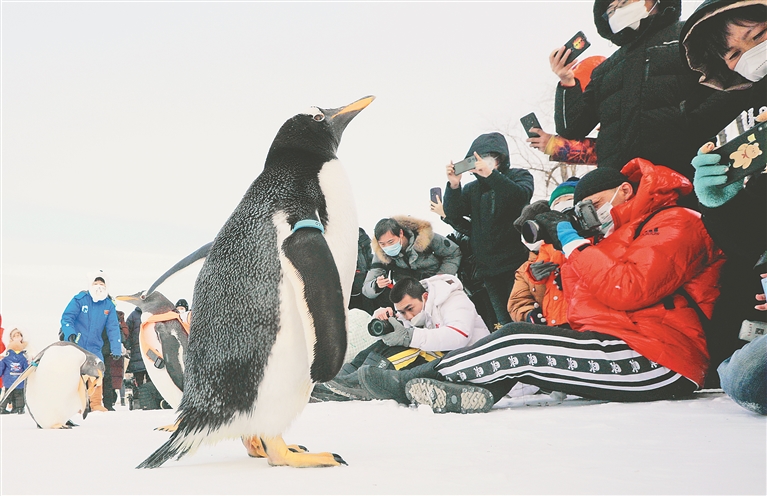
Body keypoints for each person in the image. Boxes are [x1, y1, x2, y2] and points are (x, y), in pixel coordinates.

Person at [354, 161, 725, 413]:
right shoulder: (608, 238)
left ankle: (412, 384)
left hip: (660, 359)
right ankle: (464, 392)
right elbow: (582, 299)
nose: (590, 215)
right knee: (516, 337)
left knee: (516, 339)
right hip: (623, 344)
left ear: (625, 191)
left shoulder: (676, 221)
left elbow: (629, 289)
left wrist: (570, 238)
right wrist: (556, 249)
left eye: (594, 205)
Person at [680, 0, 766, 411]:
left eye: (759, 36)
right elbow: (750, 245)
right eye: (733, 53)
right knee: (740, 376)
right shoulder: (746, 129)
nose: (749, 55)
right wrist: (720, 202)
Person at [551, 0, 737, 185]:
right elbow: (572, 128)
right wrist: (567, 81)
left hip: (683, 173)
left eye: (624, 2)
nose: (618, 10)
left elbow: (732, 83)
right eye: (611, 10)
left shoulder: (688, 36)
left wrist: (691, 124)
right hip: (620, 186)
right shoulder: (605, 70)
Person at [314, 274, 490, 401]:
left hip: (468, 361)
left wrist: (408, 336)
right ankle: (340, 379)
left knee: (402, 349)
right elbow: (405, 332)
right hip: (441, 357)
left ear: (425, 296)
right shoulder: (416, 309)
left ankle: (358, 384)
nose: (406, 315)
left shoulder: (454, 299)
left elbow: (459, 336)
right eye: (401, 311)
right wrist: (384, 319)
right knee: (384, 343)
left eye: (409, 309)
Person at [443, 132, 535, 327]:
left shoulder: (519, 176)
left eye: (486, 158)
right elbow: (454, 213)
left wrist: (492, 176)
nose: (481, 163)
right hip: (489, 269)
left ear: (499, 158)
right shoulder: (471, 189)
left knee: (525, 314)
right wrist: (454, 184)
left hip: (518, 263)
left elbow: (520, 197)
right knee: (504, 322)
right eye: (476, 159)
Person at [508, 179, 578, 326]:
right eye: (524, 232)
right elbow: (517, 302)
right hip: (552, 329)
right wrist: (529, 315)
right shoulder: (524, 270)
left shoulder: (577, 245)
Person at [60, 270, 122, 412]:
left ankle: (95, 403)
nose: (99, 286)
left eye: (102, 283)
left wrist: (116, 348)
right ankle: (75, 404)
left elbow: (113, 328)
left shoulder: (108, 305)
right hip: (77, 344)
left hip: (95, 346)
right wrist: (70, 334)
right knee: (75, 374)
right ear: (90, 284)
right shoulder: (80, 299)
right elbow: (67, 317)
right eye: (96, 283)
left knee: (98, 373)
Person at [361, 217, 461, 301]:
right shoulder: (382, 254)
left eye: (391, 242)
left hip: (439, 289)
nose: (387, 247)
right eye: (382, 244)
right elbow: (366, 289)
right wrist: (376, 285)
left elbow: (454, 253)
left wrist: (440, 279)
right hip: (409, 298)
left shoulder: (425, 237)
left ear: (400, 233)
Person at [0, 329, 30, 414]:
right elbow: (26, 369)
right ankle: (19, 408)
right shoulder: (23, 358)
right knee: (19, 396)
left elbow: (1, 367)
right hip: (19, 382)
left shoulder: (6, 358)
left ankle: (2, 407)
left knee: (7, 395)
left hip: (8, 382)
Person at [125, 306, 149, 387]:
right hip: (138, 352)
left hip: (148, 352)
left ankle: (145, 398)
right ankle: (137, 398)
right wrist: (128, 347)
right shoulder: (133, 316)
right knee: (139, 380)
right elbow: (127, 334)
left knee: (151, 381)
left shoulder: (133, 316)